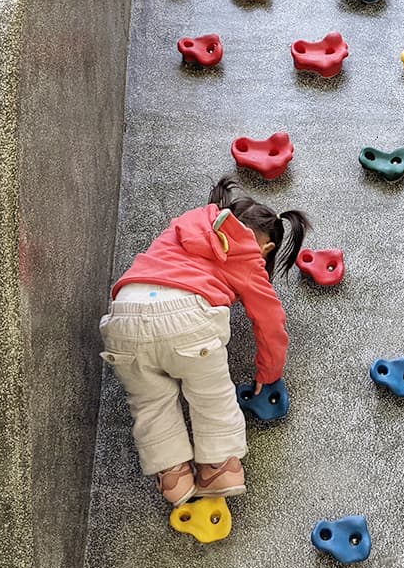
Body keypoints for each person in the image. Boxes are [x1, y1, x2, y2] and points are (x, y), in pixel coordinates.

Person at [100, 176, 309, 503]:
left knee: (150, 403)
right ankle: (219, 468)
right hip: (189, 314)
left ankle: (173, 478)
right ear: (266, 248)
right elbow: (270, 322)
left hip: (123, 313)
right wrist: (268, 374)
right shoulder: (248, 255)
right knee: (211, 395)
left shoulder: (184, 226)